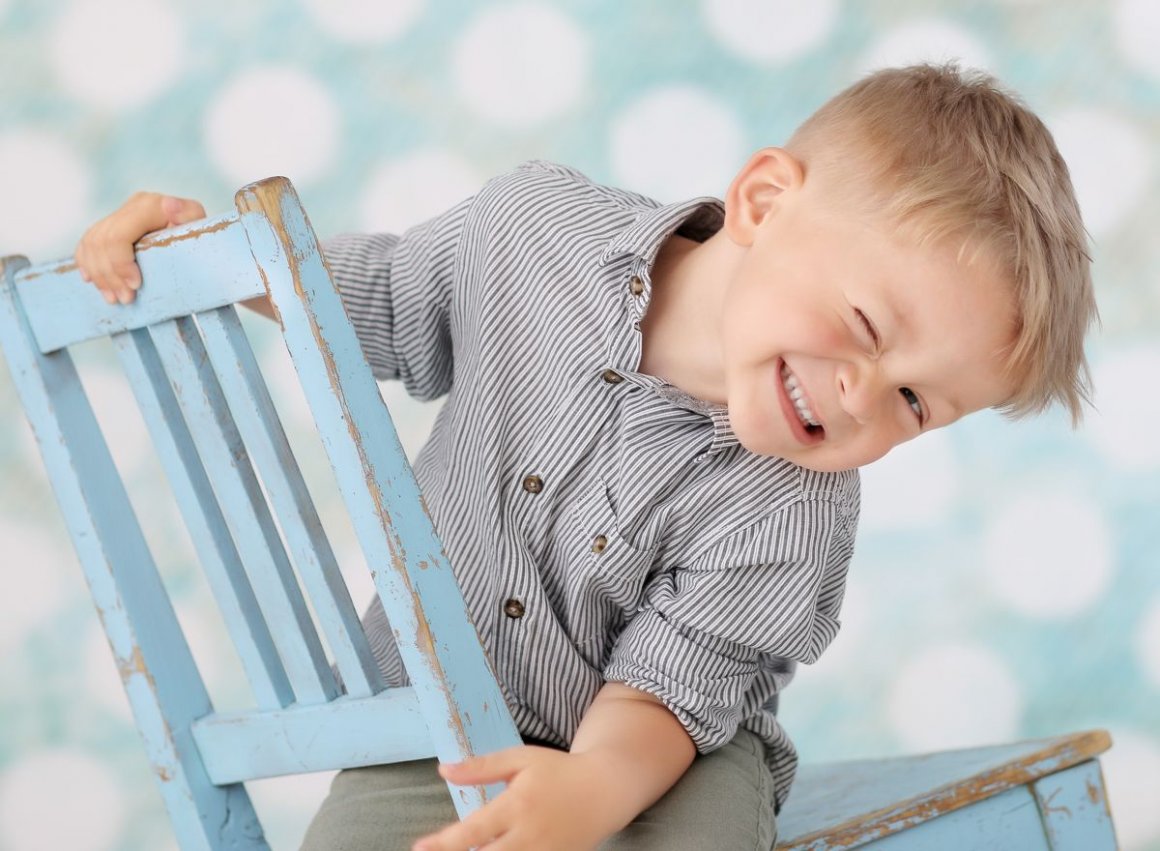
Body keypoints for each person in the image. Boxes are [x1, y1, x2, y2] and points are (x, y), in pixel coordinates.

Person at [73, 63, 1096, 851]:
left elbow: (672, 685)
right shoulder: (534, 233)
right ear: (763, 203)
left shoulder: (796, 505)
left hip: (666, 752)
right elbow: (370, 300)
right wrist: (193, 252)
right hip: (437, 730)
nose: (859, 397)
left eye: (915, 401)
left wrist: (588, 793)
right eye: (866, 325)